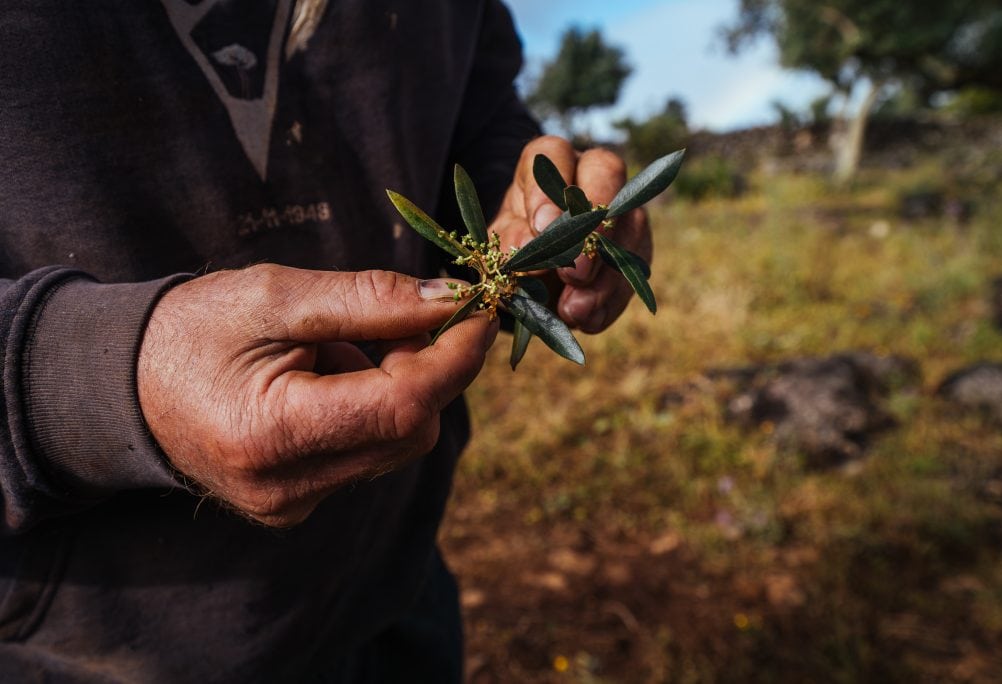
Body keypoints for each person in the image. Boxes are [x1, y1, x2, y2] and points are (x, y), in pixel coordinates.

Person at [0, 1, 651, 680]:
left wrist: (533, 221)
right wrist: (92, 378)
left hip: (399, 595)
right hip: (92, 650)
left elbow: (480, 119)